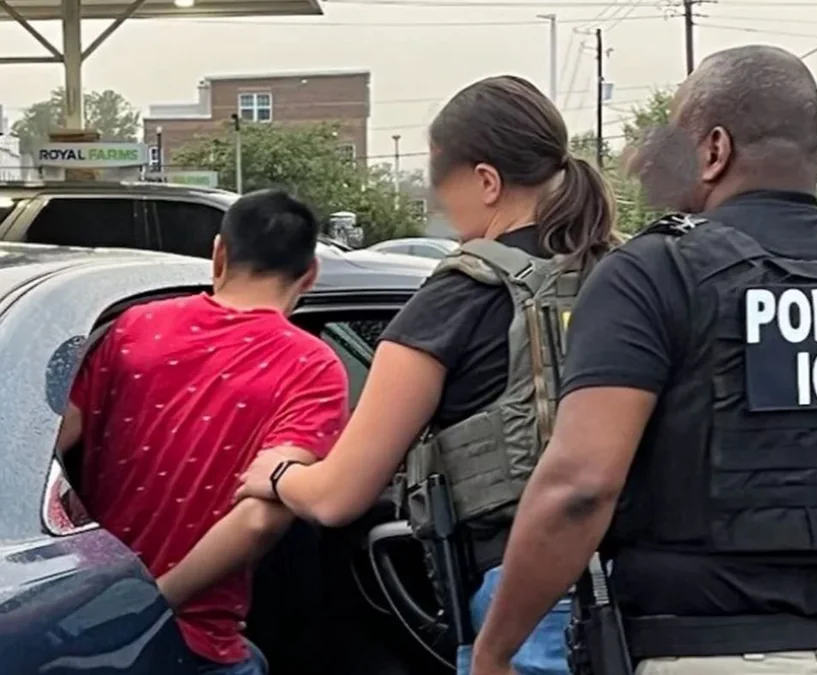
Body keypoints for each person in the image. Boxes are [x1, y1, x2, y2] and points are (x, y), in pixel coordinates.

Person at [468, 44, 817, 675]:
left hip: (687, 651)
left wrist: (495, 651)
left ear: (714, 150)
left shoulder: (652, 275)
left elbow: (581, 486)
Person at [234, 75, 617, 675]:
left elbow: (338, 496)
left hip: (524, 609)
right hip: (640, 596)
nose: (439, 204)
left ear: (487, 181)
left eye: (442, 180)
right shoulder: (621, 277)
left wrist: (279, 476)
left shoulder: (461, 295)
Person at [55, 189, 350, 675]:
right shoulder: (312, 367)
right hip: (194, 639)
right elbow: (258, 520)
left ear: (219, 253)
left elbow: (53, 434)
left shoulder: (135, 328)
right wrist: (156, 603)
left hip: (80, 624)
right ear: (310, 274)